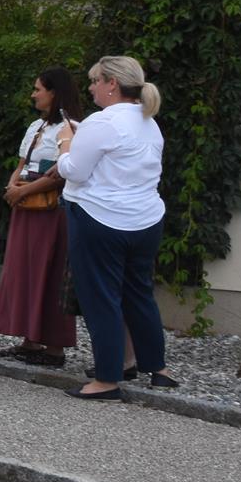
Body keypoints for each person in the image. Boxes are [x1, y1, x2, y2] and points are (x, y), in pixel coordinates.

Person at [56, 56, 177, 398]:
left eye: (95, 80)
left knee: (101, 298)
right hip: (146, 220)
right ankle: (158, 368)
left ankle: (107, 380)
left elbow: (75, 170)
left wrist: (65, 143)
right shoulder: (148, 121)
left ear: (112, 83)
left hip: (99, 218)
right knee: (139, 293)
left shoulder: (101, 122)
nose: (91, 87)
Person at [0, 67, 83, 366]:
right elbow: (22, 163)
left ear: (54, 92)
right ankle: (29, 340)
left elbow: (61, 173)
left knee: (51, 272)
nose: (33, 94)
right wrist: (13, 186)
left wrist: (24, 191)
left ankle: (55, 347)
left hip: (52, 210)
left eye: (38, 89)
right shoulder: (37, 126)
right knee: (25, 271)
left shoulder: (71, 129)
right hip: (27, 204)